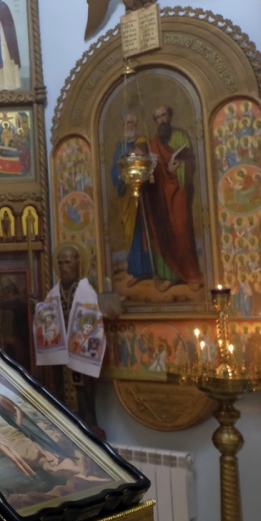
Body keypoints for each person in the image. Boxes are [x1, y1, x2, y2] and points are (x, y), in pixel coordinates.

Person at [141, 106, 204, 292]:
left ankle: (190, 274)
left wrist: (180, 167)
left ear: (170, 116)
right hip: (160, 194)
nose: (161, 120)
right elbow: (151, 169)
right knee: (163, 231)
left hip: (178, 191)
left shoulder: (181, 136)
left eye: (164, 115)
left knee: (181, 230)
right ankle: (169, 276)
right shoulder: (153, 143)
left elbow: (191, 162)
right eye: (157, 117)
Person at [48, 246, 105, 439]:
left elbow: (93, 321)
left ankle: (88, 425)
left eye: (68, 262)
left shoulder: (86, 292)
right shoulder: (53, 293)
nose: (64, 267)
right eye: (60, 263)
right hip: (61, 357)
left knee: (84, 393)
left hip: (81, 354)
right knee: (60, 391)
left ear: (78, 263)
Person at [110, 114, 155, 287]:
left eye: (133, 123)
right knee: (132, 232)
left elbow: (148, 162)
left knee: (146, 231)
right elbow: (114, 170)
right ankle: (137, 271)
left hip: (145, 195)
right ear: (123, 125)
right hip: (127, 197)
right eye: (128, 123)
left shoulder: (142, 142)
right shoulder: (120, 148)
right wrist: (121, 177)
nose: (130, 126)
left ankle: (151, 269)